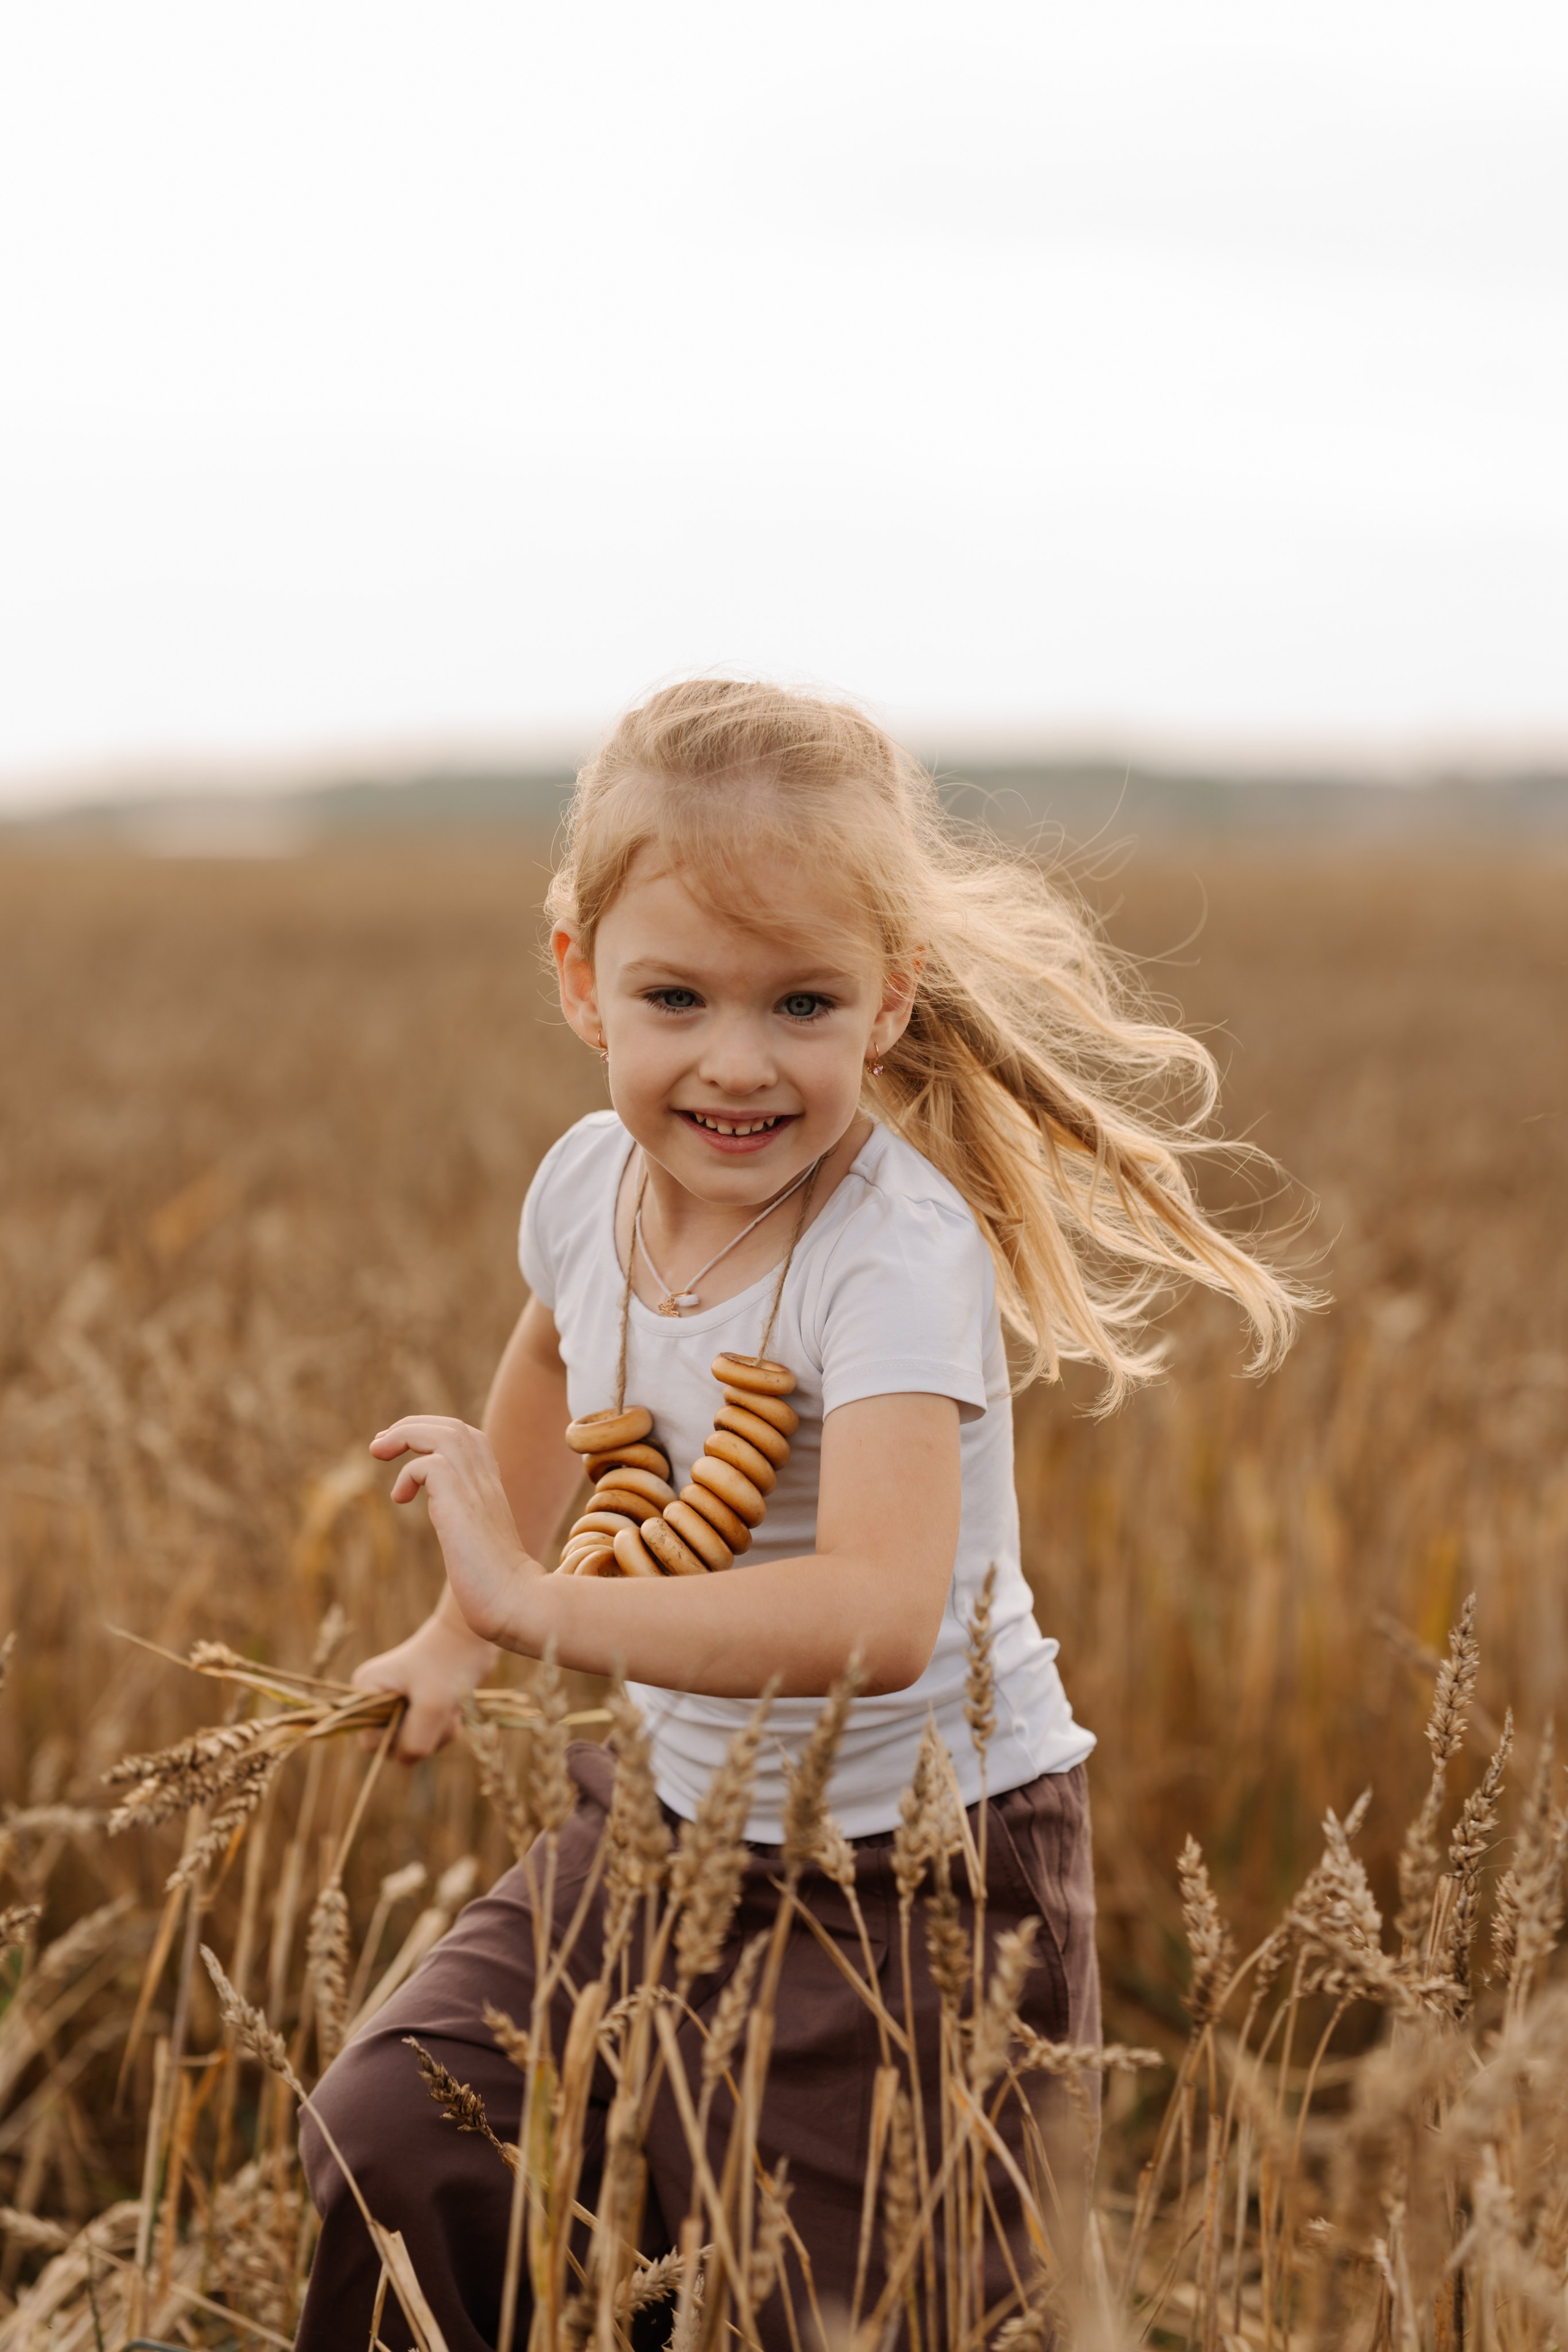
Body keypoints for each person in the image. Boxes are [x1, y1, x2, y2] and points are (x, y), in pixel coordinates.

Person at [296, 679, 1302, 2350]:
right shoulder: (583, 1186)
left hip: (918, 1881)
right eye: (675, 997)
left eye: (805, 1002)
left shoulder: (893, 1256)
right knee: (395, 2141)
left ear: (890, 1000)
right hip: (667, 1829)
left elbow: (877, 1612)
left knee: (850, 2313)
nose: (737, 1063)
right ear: (579, 982)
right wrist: (457, 1633)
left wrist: (544, 1608)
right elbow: (556, 1356)